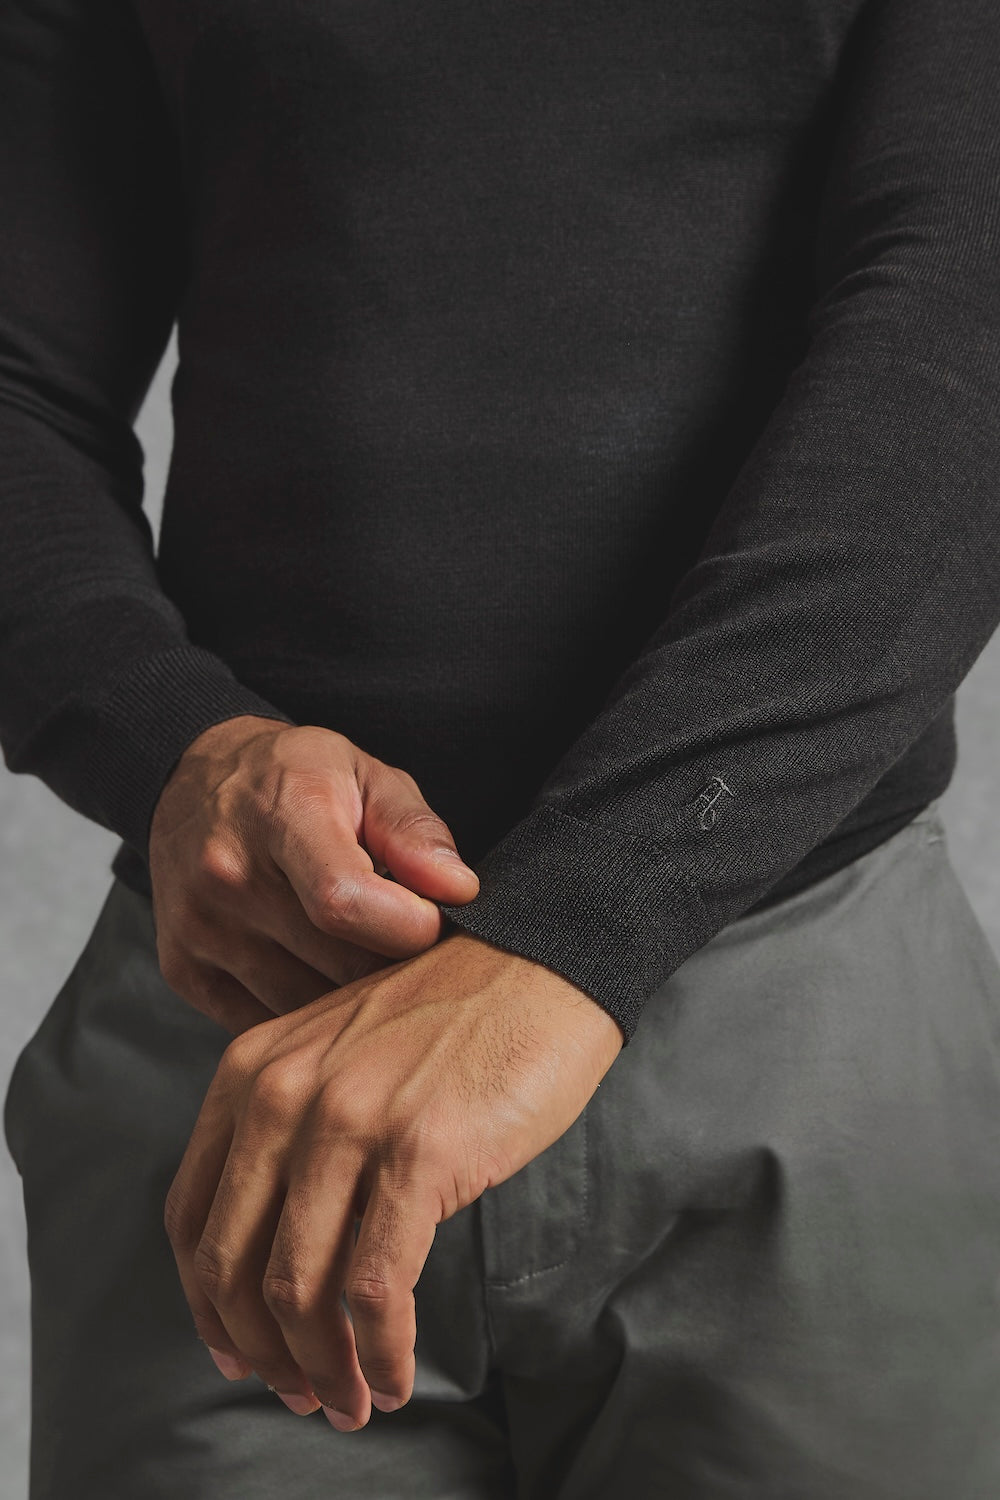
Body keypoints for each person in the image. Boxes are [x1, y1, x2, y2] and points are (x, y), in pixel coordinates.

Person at [2, 0, 999, 1493]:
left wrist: (581, 927)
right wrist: (172, 744)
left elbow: (964, 330)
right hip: (249, 1015)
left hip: (795, 1007)